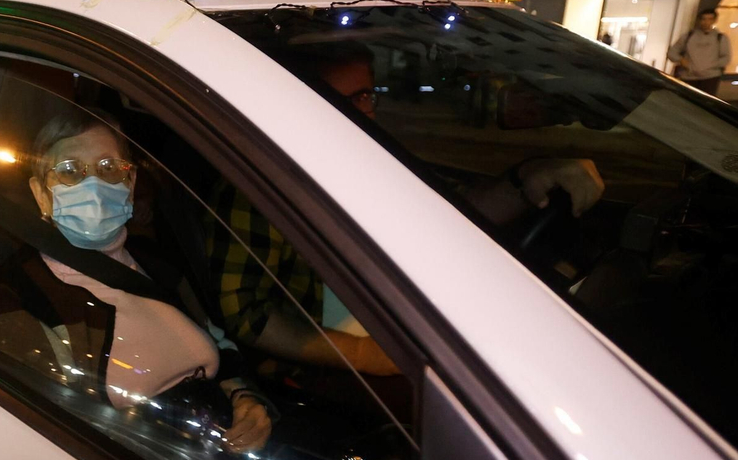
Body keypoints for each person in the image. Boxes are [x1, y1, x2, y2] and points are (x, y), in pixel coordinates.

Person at [208, 43, 603, 378]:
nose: (356, 112)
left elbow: (449, 214)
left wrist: (528, 177)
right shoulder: (261, 182)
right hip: (329, 379)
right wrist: (372, 358)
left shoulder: (373, 157)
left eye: (363, 96)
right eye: (333, 99)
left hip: (416, 332)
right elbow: (246, 314)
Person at [0, 111, 274, 453]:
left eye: (108, 168)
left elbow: (218, 340)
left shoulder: (158, 263)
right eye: (70, 171)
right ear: (41, 194)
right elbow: (54, 435)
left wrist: (244, 397)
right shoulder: (17, 293)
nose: (94, 185)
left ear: (130, 184)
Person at [668, 9, 730, 95]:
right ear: (699, 20)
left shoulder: (720, 38)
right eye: (703, 19)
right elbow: (672, 52)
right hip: (688, 77)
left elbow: (726, 58)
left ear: (714, 20)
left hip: (710, 78)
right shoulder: (688, 36)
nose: (706, 22)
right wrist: (681, 60)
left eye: (710, 19)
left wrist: (710, 65)